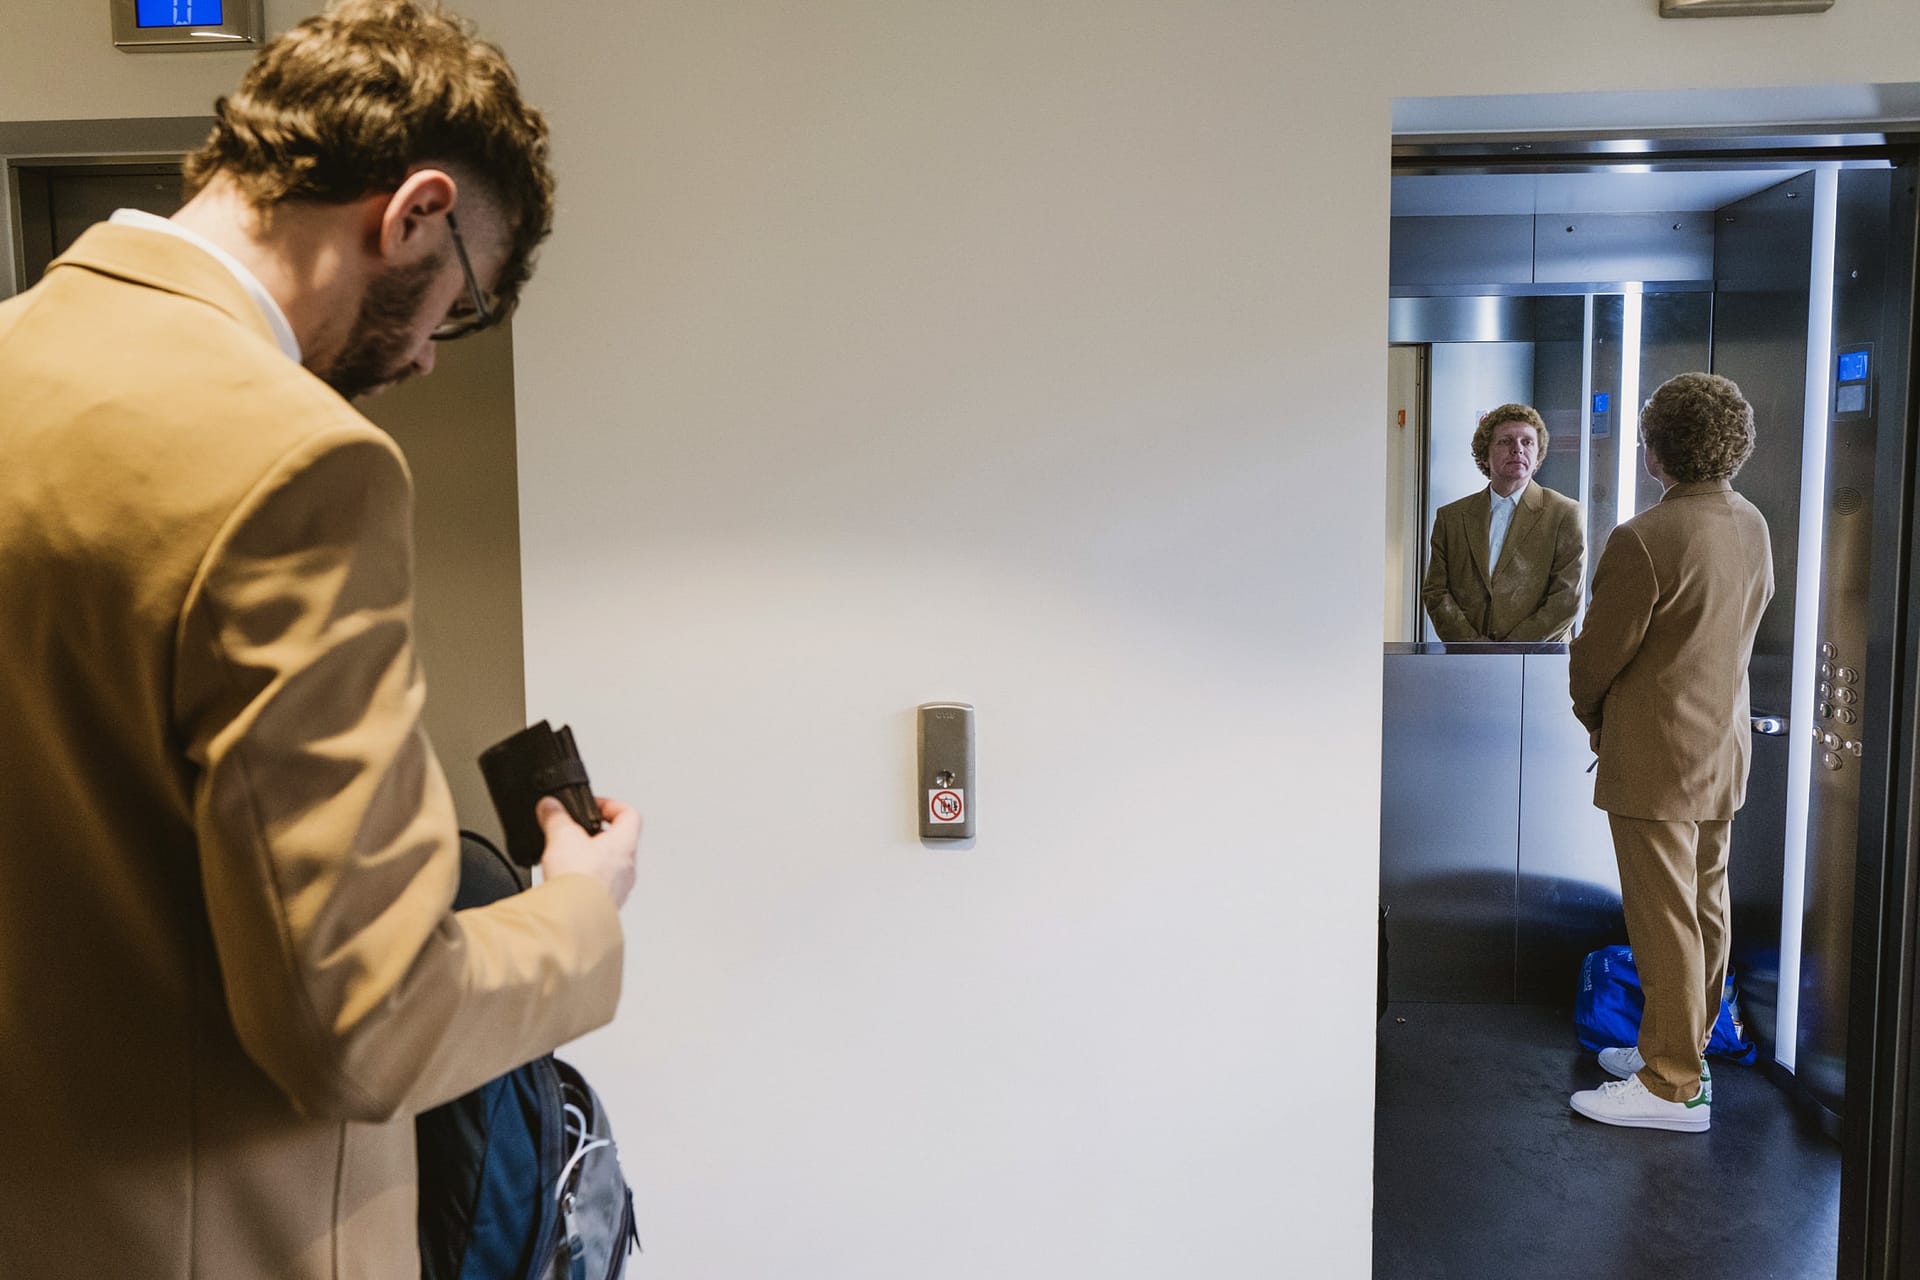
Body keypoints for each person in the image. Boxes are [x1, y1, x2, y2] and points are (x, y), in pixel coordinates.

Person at [0, 4, 641, 1276]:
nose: (424, 360)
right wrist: (577, 913)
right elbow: (363, 1020)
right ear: (414, 211)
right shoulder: (296, 458)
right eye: (457, 302)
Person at [1567, 372, 1775, 1133]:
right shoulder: (1750, 522)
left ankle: (1671, 1083)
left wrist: (1591, 712)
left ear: (1656, 453)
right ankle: (1682, 1048)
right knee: (1703, 908)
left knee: (1663, 923)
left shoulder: (1645, 538)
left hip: (1657, 757)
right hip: (1722, 749)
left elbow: (1596, 657)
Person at [1422, 403, 1586, 643]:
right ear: (1485, 455)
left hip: (1536, 663)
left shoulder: (1565, 514)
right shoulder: (1451, 518)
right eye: (1506, 441)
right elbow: (1436, 592)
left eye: (1527, 442)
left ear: (1538, 455)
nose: (1517, 449)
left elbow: (1566, 599)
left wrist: (1508, 650)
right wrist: (1473, 644)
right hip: (1467, 660)